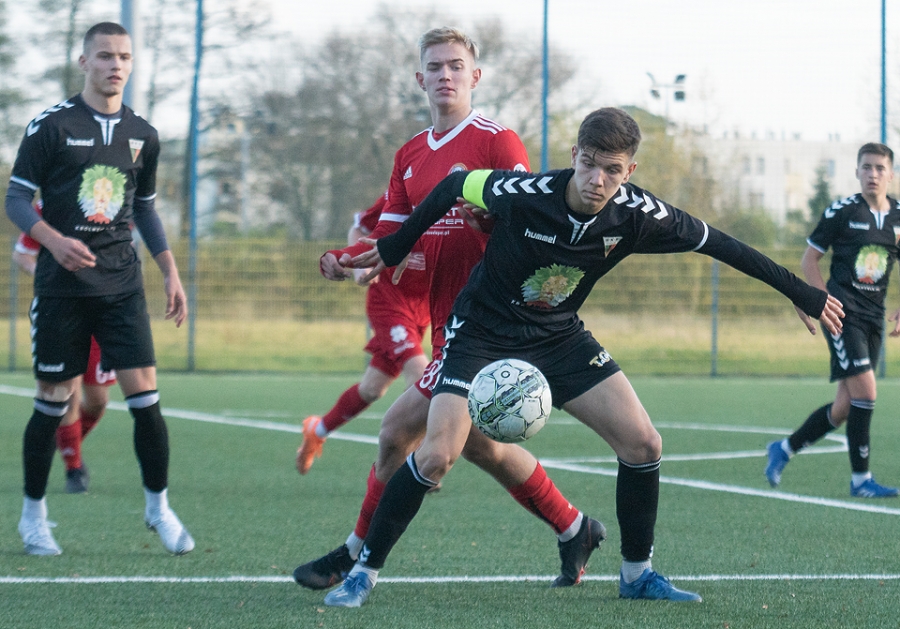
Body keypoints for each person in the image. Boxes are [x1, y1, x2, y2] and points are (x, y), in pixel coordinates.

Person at [323, 106, 845, 608]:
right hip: (480, 333)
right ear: (574, 154)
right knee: (437, 454)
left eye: (612, 170)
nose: (597, 178)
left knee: (643, 443)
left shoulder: (639, 214)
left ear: (630, 170)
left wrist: (801, 291)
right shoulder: (526, 193)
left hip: (557, 336)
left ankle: (637, 575)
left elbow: (721, 244)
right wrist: (395, 247)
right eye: (589, 163)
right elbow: (455, 186)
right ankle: (362, 575)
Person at [295, 27, 605, 594]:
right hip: (449, 325)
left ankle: (357, 559)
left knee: (403, 436)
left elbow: (527, 226)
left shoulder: (498, 143)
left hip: (494, 324)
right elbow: (391, 236)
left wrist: (489, 220)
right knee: (480, 444)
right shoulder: (410, 155)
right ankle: (573, 526)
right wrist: (349, 262)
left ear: (475, 77)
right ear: (420, 79)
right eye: (434, 67)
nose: (445, 75)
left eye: (456, 66)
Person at [5, 21, 194, 556]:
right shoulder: (51, 126)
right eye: (105, 56)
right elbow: (16, 200)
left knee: (147, 401)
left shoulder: (143, 134)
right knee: (52, 402)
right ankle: (33, 516)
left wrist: (169, 270)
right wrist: (51, 240)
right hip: (62, 289)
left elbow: (144, 207)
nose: (115, 65)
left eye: (124, 57)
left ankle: (158, 508)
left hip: (121, 287)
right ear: (84, 62)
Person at [765, 142, 900, 498]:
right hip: (844, 316)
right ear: (856, 172)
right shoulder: (842, 211)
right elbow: (810, 259)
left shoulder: (899, 215)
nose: (872, 174)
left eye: (879, 168)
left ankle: (784, 448)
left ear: (891, 174)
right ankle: (861, 481)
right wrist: (823, 301)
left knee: (844, 407)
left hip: (874, 318)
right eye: (866, 167)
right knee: (867, 393)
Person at [296, 194, 430, 474]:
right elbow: (359, 228)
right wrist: (363, 266)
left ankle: (316, 430)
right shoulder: (404, 190)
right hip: (389, 302)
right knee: (420, 373)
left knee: (371, 389)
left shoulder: (457, 196)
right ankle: (420, 461)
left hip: (424, 308)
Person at [13, 216, 116, 494]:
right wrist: (51, 279)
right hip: (60, 311)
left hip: (101, 311)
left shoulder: (110, 202)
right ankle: (74, 468)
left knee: (98, 401)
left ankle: (62, 446)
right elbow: (22, 255)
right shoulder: (50, 205)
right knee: (65, 394)